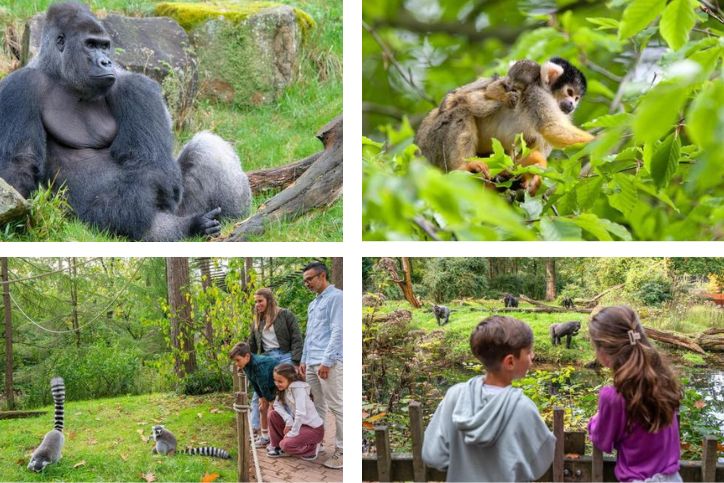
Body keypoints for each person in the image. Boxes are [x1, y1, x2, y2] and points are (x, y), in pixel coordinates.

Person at [422, 316, 555, 482]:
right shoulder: (522, 407)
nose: (532, 356)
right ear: (510, 362)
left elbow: (433, 456)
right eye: (528, 352)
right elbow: (539, 462)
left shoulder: (455, 396)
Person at [588, 306, 682, 482]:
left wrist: (594, 421)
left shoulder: (613, 396)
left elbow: (602, 440)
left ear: (603, 353)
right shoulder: (664, 380)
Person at [300, 261, 343, 469]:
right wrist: (304, 360)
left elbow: (338, 331)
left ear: (322, 276)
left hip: (328, 363)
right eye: (305, 281)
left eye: (310, 279)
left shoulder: (337, 298)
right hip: (311, 362)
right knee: (317, 405)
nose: (307, 283)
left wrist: (327, 361)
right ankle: (317, 443)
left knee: (337, 406)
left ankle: (343, 451)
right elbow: (310, 335)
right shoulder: (313, 303)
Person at [248, 288, 303, 448]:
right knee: (258, 395)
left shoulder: (285, 315)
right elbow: (251, 343)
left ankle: (293, 430)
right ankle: (257, 431)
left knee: (288, 393)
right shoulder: (257, 321)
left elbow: (296, 337)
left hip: (285, 356)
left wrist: (296, 361)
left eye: (260, 301)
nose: (257, 304)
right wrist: (245, 361)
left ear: (269, 300)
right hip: (266, 358)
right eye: (256, 301)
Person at [266, 363, 325, 460]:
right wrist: (288, 420)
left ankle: (312, 448)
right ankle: (277, 446)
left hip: (313, 429)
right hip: (300, 426)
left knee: (285, 445)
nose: (276, 383)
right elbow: (276, 404)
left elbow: (300, 413)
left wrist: (293, 432)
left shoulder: (298, 389)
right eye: (275, 380)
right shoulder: (284, 388)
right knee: (273, 414)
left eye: (280, 381)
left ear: (290, 379)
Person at [229, 342, 277, 449]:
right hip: (266, 384)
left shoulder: (258, 365)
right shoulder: (246, 365)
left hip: (276, 382)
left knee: (272, 411)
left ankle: (275, 440)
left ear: (247, 356)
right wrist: (261, 397)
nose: (236, 363)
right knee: (261, 408)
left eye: (238, 360)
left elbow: (263, 384)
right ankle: (265, 437)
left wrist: (269, 400)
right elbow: (254, 383)